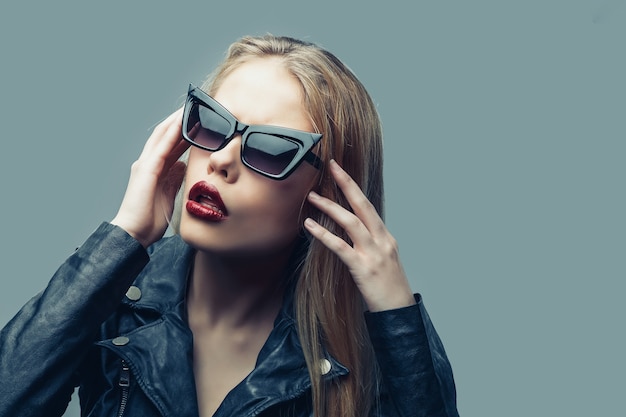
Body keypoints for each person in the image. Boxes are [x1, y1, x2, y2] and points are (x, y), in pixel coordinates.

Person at [0, 35, 459, 417]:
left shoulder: (359, 345)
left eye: (272, 149)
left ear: (329, 193)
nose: (220, 161)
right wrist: (124, 237)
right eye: (213, 125)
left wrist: (397, 318)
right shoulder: (116, 293)